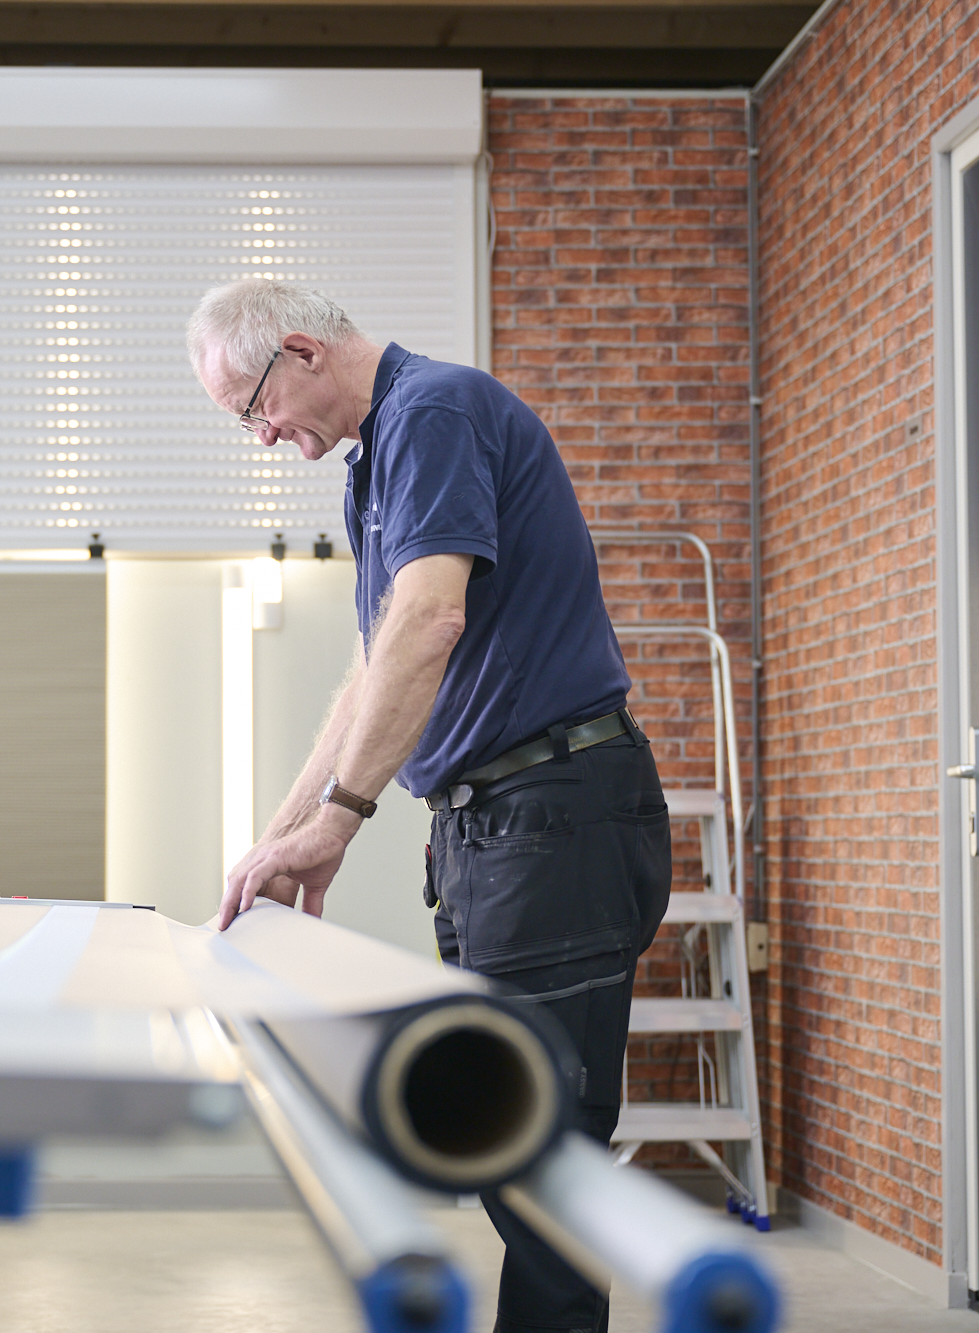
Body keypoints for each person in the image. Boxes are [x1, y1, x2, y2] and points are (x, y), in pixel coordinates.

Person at [187, 279, 672, 1333]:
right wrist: (289, 835)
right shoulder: (379, 461)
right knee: (507, 1144)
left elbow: (427, 621)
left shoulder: (433, 412)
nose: (260, 436)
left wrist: (341, 814)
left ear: (302, 351)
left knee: (537, 1150)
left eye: (251, 409)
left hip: (553, 815)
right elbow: (370, 673)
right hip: (491, 829)